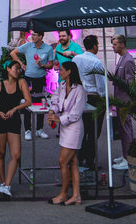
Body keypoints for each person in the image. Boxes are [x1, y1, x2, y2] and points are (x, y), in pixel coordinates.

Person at [0, 59, 30, 198]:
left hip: (14, 119)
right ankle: (2, 182)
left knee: (16, 154)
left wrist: (15, 108)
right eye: (14, 68)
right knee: (0, 153)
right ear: (8, 69)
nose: (17, 71)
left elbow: (28, 101)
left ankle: (7, 184)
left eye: (19, 68)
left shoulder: (21, 83)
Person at [47, 61, 86, 205]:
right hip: (65, 127)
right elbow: (56, 100)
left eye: (61, 70)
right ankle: (76, 195)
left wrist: (58, 118)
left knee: (63, 161)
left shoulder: (80, 89)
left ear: (69, 71)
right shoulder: (62, 86)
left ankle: (64, 193)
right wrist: (52, 112)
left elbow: (76, 113)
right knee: (73, 161)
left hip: (74, 128)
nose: (59, 71)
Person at [12, 30, 55, 139]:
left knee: (41, 104)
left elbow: (50, 65)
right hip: (28, 78)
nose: (32, 37)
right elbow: (13, 53)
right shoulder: (28, 46)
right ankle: (27, 130)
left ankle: (39, 129)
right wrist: (21, 64)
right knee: (28, 103)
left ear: (40, 36)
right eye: (32, 35)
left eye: (34, 35)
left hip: (41, 79)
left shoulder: (48, 49)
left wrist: (42, 65)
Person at [72, 34, 105, 170]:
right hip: (93, 96)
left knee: (82, 129)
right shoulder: (96, 62)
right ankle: (89, 159)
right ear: (95, 46)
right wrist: (104, 99)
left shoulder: (76, 58)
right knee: (94, 131)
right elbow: (101, 85)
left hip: (79, 95)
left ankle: (80, 157)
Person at [111, 35, 136, 162]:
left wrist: (116, 80)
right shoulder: (122, 58)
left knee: (126, 129)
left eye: (115, 44)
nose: (113, 46)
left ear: (122, 44)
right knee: (122, 129)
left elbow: (130, 82)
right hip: (119, 99)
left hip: (124, 100)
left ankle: (129, 158)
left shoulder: (128, 60)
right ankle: (125, 154)